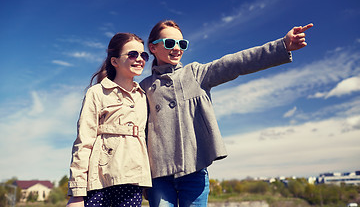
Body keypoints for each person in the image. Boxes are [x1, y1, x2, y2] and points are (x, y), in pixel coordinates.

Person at [140, 20, 313, 207]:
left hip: (194, 173)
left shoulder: (196, 74)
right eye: (169, 43)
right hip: (159, 177)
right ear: (153, 47)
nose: (176, 48)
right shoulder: (143, 89)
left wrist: (281, 46)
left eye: (182, 44)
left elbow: (235, 63)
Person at [66, 33, 152, 207]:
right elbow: (84, 142)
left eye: (143, 55)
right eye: (132, 54)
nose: (140, 59)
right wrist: (77, 192)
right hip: (100, 180)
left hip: (133, 181)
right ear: (114, 61)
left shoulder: (144, 96)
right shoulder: (96, 93)